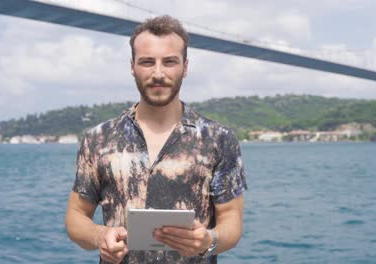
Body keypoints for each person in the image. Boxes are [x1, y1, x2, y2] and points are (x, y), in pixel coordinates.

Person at [65, 15, 247, 264]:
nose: (158, 73)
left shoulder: (219, 140)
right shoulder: (98, 140)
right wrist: (100, 235)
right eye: (147, 62)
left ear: (185, 66)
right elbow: (76, 216)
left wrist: (208, 241)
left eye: (170, 62)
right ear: (132, 66)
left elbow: (232, 223)